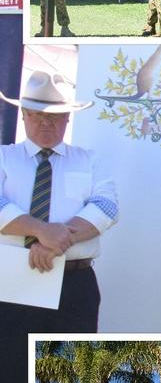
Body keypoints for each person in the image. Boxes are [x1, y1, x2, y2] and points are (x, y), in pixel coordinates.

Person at [0, 71, 119, 335]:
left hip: (75, 282)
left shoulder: (89, 160)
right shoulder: (4, 158)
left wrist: (56, 244)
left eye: (54, 116)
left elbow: (106, 207)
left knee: (74, 369)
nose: (46, 123)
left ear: (68, 117)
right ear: (24, 115)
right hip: (11, 280)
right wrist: (41, 231)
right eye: (38, 115)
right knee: (10, 367)